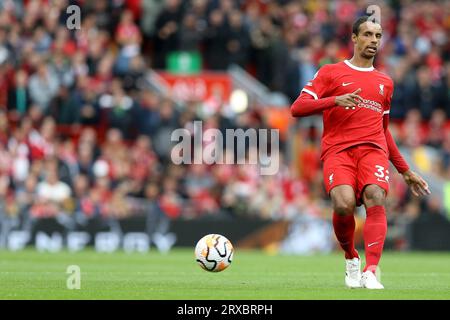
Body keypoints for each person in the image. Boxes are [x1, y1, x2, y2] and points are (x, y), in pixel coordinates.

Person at [290, 16, 431, 289]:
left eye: (378, 36)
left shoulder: (385, 82)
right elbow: (297, 108)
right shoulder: (330, 72)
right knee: (342, 204)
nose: (373, 41)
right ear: (354, 38)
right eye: (367, 35)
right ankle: (351, 257)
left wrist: (405, 171)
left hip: (373, 150)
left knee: (375, 195)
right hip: (338, 150)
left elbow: (384, 130)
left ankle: (371, 270)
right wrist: (333, 101)